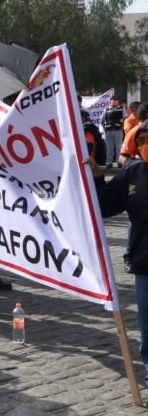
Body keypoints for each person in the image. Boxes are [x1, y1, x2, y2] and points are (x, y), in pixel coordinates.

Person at [88, 126, 148, 390]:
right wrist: (97, 178)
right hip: (145, 265)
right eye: (143, 140)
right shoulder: (134, 173)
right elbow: (105, 205)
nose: (145, 144)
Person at [101, 95, 125, 168]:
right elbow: (102, 120)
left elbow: (125, 119)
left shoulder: (122, 109)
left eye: (116, 100)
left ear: (118, 102)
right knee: (109, 147)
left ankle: (119, 162)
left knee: (119, 147)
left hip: (118, 131)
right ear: (110, 101)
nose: (114, 101)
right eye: (113, 100)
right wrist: (105, 129)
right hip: (109, 131)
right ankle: (109, 162)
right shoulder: (106, 109)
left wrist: (122, 127)